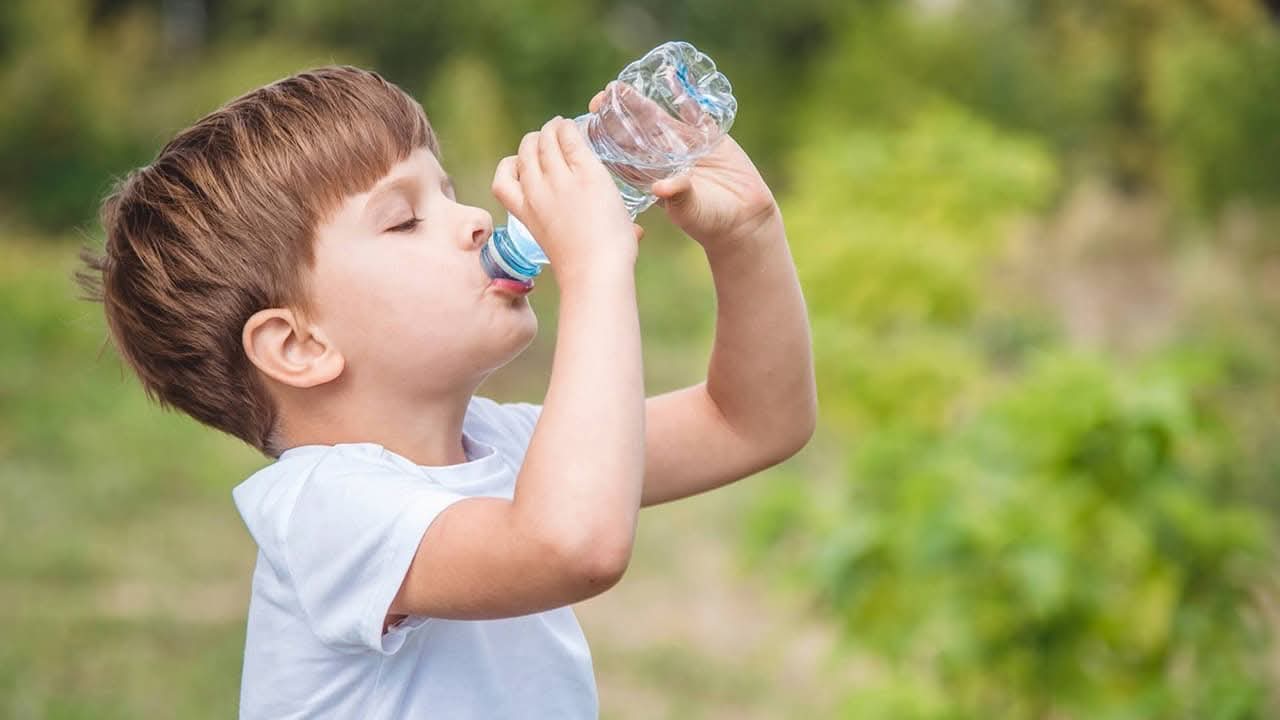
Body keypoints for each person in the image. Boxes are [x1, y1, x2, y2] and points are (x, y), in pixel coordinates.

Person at [78, 65, 816, 719]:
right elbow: (571, 547)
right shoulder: (325, 507)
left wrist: (747, 234)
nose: (474, 221)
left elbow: (752, 421)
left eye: (451, 193)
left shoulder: (503, 449)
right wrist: (594, 271)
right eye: (404, 219)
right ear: (300, 346)